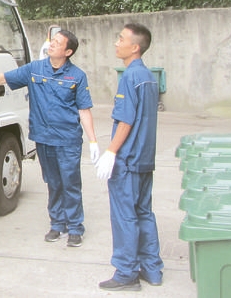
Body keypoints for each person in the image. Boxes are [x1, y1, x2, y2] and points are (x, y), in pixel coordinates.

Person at [0, 30, 98, 247]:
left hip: (68, 140)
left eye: (57, 43)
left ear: (68, 51)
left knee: (70, 183)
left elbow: (84, 110)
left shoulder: (77, 76)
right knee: (52, 182)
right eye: (52, 40)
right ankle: (57, 224)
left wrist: (93, 141)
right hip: (44, 138)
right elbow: (4, 77)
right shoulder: (35, 69)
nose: (51, 44)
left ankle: (76, 228)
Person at [96, 23, 164, 291]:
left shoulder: (129, 77)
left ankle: (126, 273)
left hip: (128, 159)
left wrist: (111, 151)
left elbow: (126, 119)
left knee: (124, 216)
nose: (116, 42)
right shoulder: (148, 77)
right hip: (145, 159)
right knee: (144, 212)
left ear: (135, 47)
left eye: (121, 39)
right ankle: (152, 269)